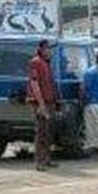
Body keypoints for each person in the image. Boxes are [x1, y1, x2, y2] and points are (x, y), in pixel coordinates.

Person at [26, 39, 57, 171]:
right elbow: (34, 84)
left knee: (48, 132)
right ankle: (39, 161)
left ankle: (46, 159)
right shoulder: (36, 62)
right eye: (48, 49)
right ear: (43, 49)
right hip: (40, 102)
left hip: (49, 101)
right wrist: (41, 104)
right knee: (41, 132)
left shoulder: (46, 63)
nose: (50, 51)